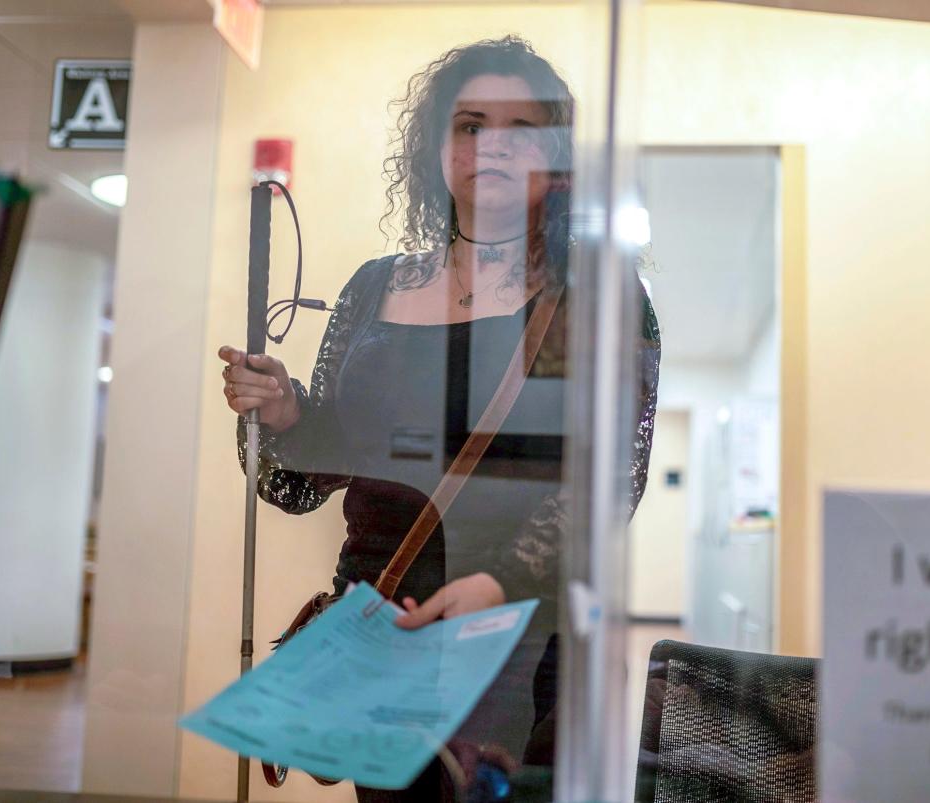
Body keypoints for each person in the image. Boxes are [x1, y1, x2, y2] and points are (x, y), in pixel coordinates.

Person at [217, 36, 661, 802]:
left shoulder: (593, 295)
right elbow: (306, 479)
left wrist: (497, 582)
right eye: (470, 125)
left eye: (521, 129)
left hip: (519, 641)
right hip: (382, 632)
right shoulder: (374, 287)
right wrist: (287, 412)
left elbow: (609, 478)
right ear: (437, 147)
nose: (492, 146)